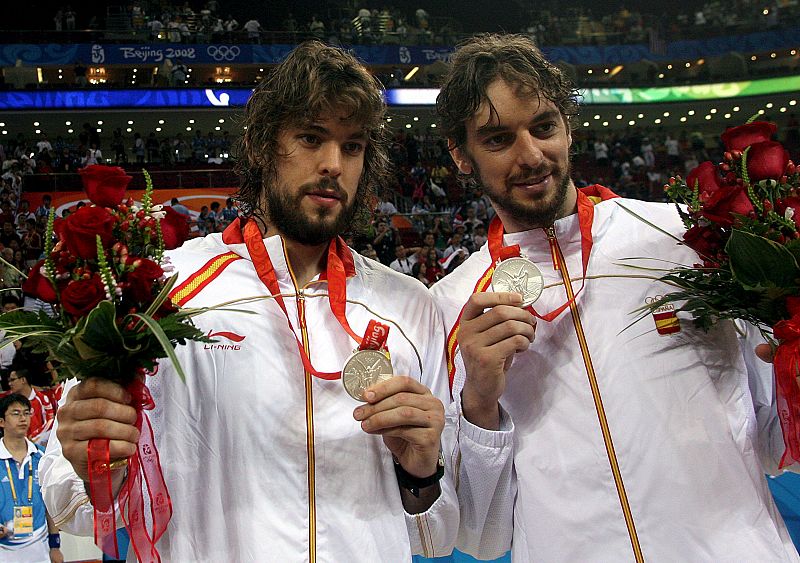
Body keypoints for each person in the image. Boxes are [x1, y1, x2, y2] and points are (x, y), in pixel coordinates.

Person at [40, 41, 457, 561]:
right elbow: (68, 500)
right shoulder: (163, 289)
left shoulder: (409, 305)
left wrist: (421, 471)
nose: (333, 164)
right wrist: (93, 458)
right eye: (311, 137)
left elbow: (437, 534)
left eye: (352, 146)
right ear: (263, 145)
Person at [432, 33, 799, 561]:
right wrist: (479, 403)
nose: (531, 155)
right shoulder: (451, 306)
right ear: (460, 155)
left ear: (567, 126)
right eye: (497, 139)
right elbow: (483, 537)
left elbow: (774, 437)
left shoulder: (686, 238)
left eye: (543, 127)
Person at [0, 394, 63, 563]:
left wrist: (55, 546)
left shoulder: (42, 457)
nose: (23, 418)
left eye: (26, 413)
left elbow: (50, 505)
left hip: (39, 552)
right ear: (1, 422)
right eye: (15, 413)